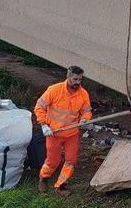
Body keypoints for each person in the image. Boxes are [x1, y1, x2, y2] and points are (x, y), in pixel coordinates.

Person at [34, 66, 92, 196]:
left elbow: (86, 111)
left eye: (80, 79)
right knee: (53, 161)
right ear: (68, 77)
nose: (78, 82)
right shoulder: (54, 90)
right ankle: (44, 178)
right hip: (53, 133)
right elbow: (39, 107)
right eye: (75, 79)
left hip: (71, 133)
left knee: (71, 161)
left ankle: (61, 185)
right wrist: (44, 125)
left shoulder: (83, 94)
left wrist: (84, 119)